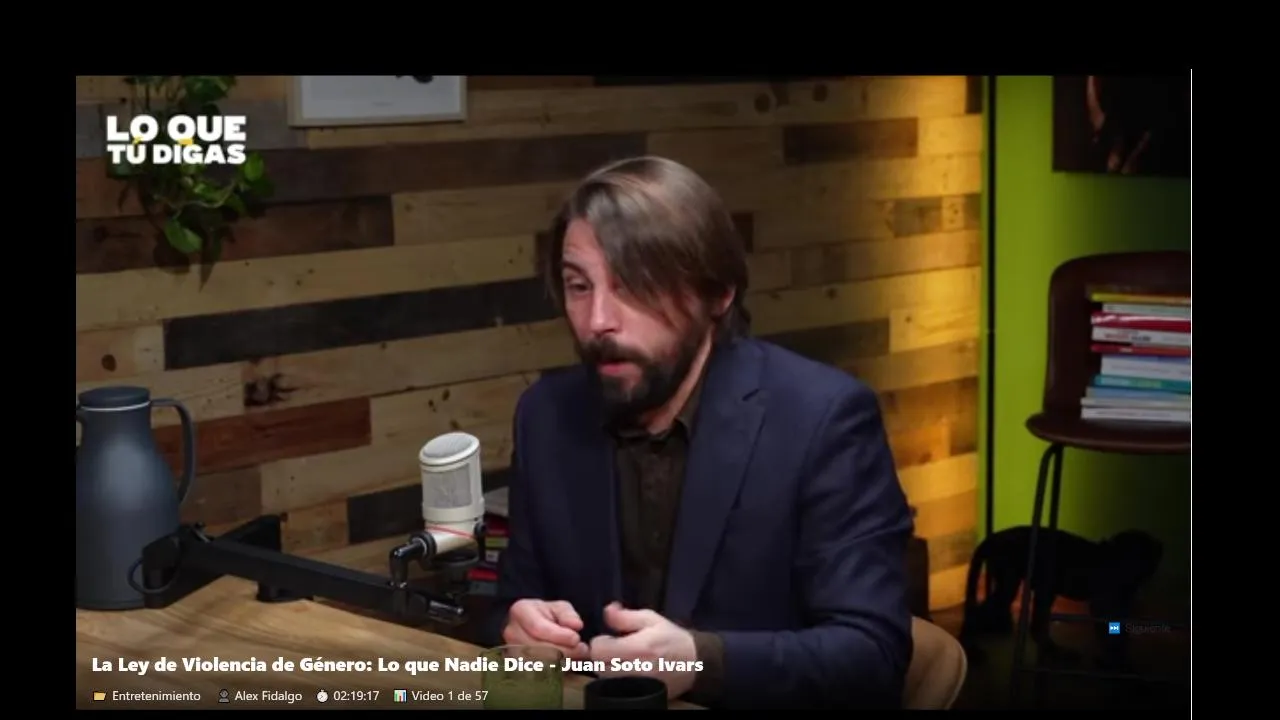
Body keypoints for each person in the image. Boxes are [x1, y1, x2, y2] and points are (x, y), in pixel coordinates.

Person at [485, 156, 914, 709]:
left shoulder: (822, 419)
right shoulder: (546, 415)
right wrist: (518, 628)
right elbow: (508, 605)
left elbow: (872, 655)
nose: (597, 321)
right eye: (578, 286)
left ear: (719, 293)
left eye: (635, 286)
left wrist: (698, 660)